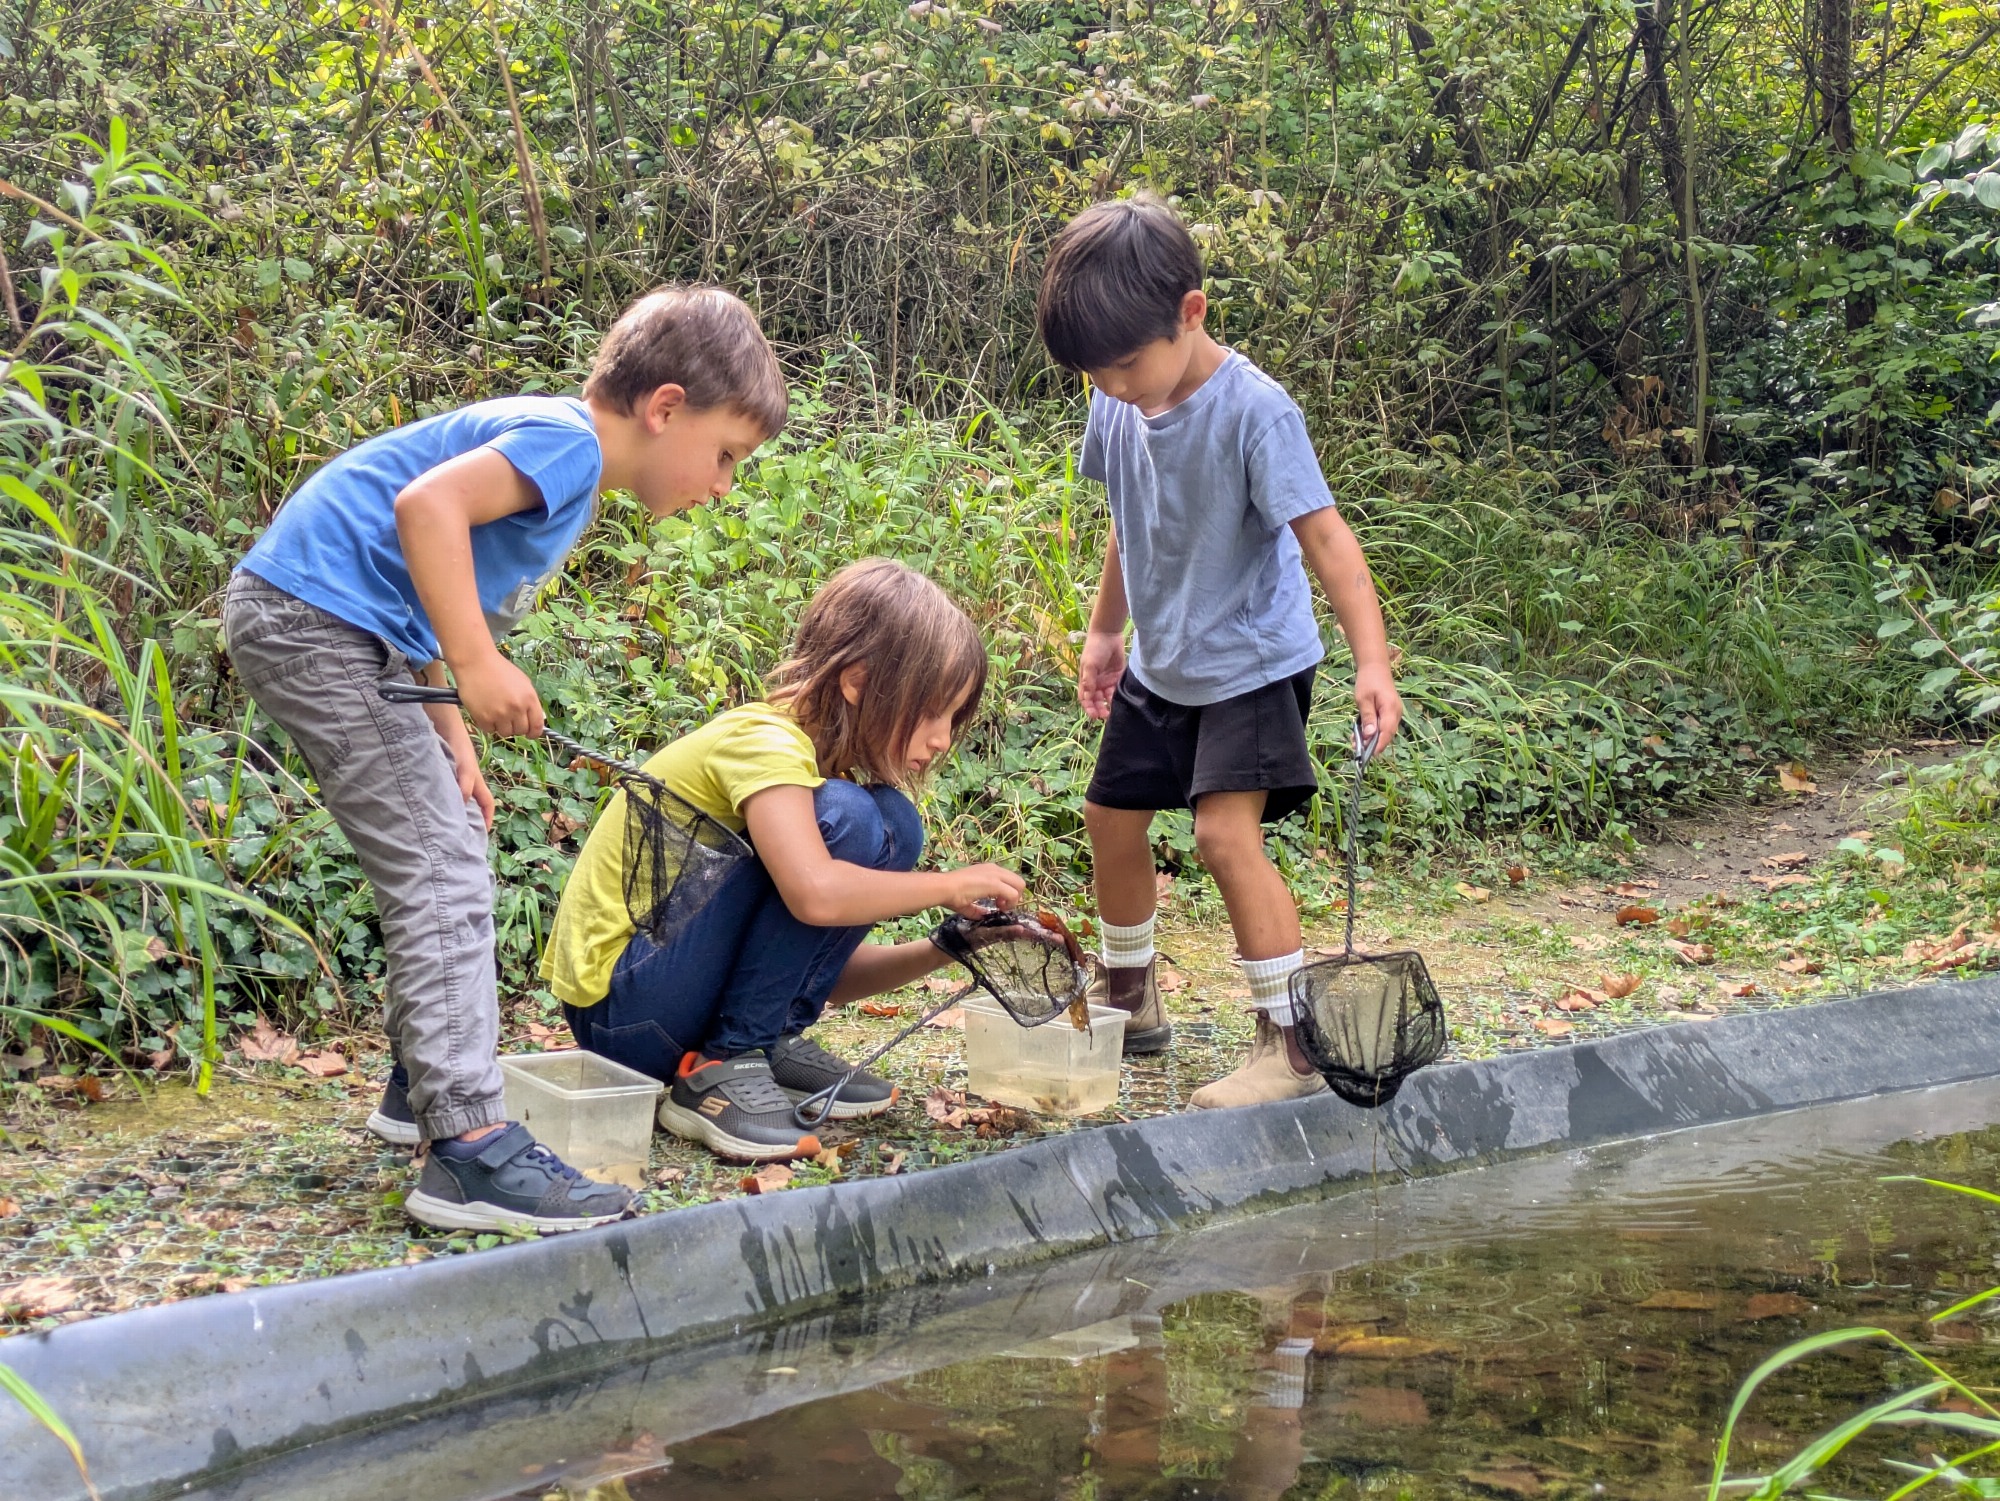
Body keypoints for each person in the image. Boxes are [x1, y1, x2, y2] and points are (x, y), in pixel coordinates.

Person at [223, 285, 788, 1230]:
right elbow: (425, 507)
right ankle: (469, 1150)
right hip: (312, 620)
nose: (723, 482)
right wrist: (482, 664)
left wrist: (451, 731)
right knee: (443, 871)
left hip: (349, 626)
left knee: (451, 842)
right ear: (665, 408)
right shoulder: (568, 442)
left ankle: (421, 1088)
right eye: (726, 454)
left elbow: (412, 591)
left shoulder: (567, 462)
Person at [1036, 193, 1405, 1109]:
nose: (1114, 384)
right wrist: (1106, 628)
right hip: (1162, 660)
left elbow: (1326, 539)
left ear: (1191, 312)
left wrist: (1372, 662)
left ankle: (1293, 1043)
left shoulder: (1255, 411)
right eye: (1096, 373)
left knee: (1221, 833)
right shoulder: (1118, 404)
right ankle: (1133, 997)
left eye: (1126, 363)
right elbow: (1130, 516)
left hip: (1251, 663)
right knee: (1110, 818)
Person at [542, 558, 1029, 1162]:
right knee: (851, 817)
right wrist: (948, 885)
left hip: (668, 1000)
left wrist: (947, 946)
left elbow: (813, 976)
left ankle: (763, 1043)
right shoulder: (764, 741)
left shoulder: (815, 774)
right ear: (857, 680)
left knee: (895, 821)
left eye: (954, 719)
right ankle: (726, 1063)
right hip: (625, 1011)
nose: (942, 739)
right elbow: (815, 895)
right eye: (933, 712)